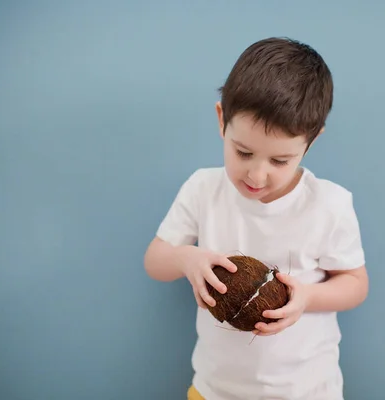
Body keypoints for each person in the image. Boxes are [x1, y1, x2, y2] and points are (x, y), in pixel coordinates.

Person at [144, 37, 369, 400]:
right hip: (215, 391)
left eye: (280, 161)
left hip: (307, 392)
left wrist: (307, 298)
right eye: (243, 152)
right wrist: (187, 259)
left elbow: (356, 283)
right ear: (222, 121)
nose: (257, 176)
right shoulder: (203, 188)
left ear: (310, 143)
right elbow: (155, 261)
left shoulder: (330, 204)